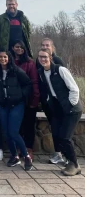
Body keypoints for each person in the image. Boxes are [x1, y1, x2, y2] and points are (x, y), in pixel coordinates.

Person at [37, 47, 82, 176]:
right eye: (40, 57)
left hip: (71, 109)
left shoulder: (60, 70)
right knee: (57, 136)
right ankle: (69, 161)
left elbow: (74, 89)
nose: (42, 59)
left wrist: (69, 105)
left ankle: (74, 164)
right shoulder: (41, 72)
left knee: (65, 137)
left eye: (45, 57)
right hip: (58, 109)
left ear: (51, 58)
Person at [0, 49, 33, 171]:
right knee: (6, 132)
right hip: (3, 105)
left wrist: (21, 96)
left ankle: (26, 156)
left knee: (13, 132)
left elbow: (28, 84)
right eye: (0, 57)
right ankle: (15, 156)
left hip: (17, 104)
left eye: (5, 57)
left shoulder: (16, 71)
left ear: (9, 58)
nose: (2, 59)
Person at [11, 40, 40, 160]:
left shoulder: (30, 63)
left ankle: (28, 149)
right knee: (18, 126)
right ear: (12, 48)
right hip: (14, 99)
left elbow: (34, 81)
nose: (19, 49)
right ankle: (19, 148)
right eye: (17, 47)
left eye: (21, 47)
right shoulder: (10, 61)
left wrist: (35, 99)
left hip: (28, 99)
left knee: (28, 126)